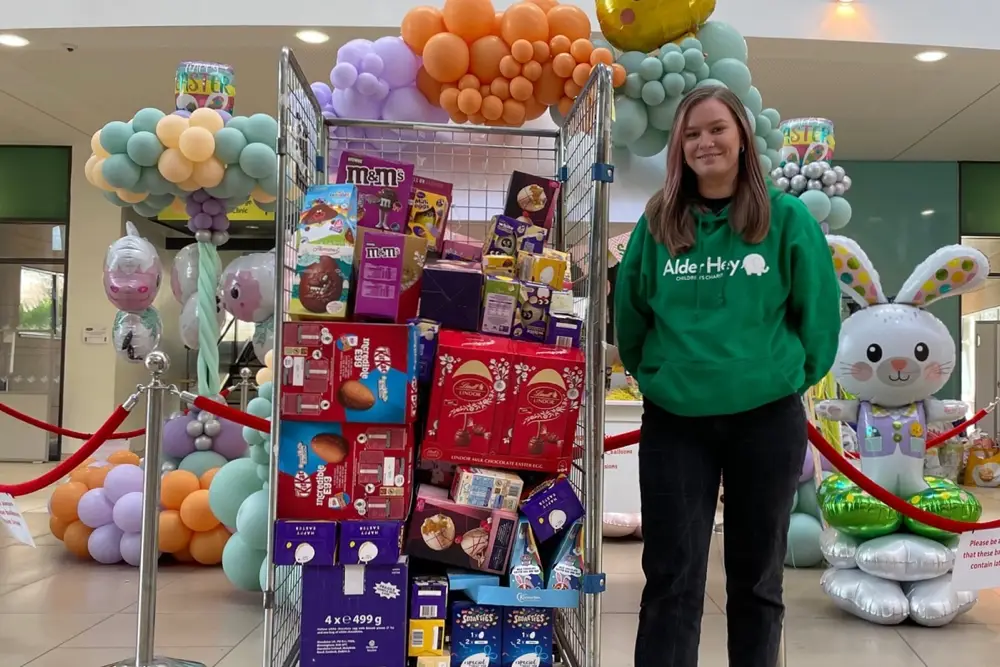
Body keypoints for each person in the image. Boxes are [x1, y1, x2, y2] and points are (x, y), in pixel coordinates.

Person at [614, 85, 841, 667]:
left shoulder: (786, 219)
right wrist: (662, 376)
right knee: (670, 578)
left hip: (766, 419)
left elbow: (819, 319)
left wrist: (780, 377)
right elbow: (631, 317)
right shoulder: (659, 221)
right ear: (679, 148)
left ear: (741, 136)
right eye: (691, 134)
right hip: (675, 422)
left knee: (757, 579)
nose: (704, 142)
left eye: (716, 129)